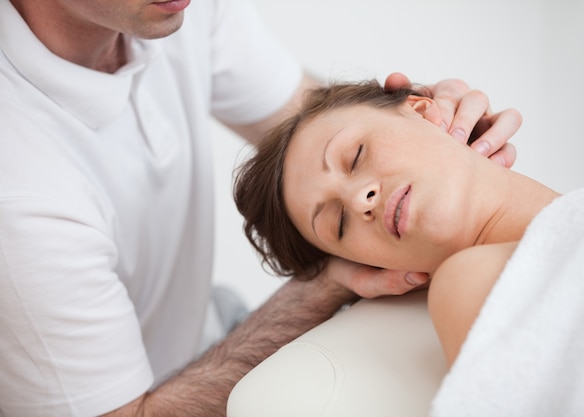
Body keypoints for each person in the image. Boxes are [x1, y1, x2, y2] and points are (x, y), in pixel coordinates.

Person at [0, 0, 520, 416]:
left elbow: (315, 138)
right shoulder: (21, 193)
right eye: (336, 223)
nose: (363, 197)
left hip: (213, 326)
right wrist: (328, 283)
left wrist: (435, 125)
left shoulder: (174, 9)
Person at [233, 78, 584, 365]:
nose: (358, 200)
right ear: (373, 267)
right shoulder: (464, 288)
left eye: (355, 156)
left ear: (423, 110)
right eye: (338, 224)